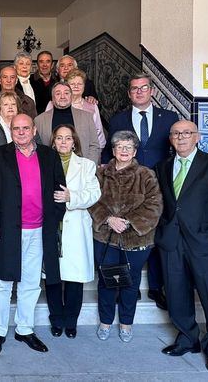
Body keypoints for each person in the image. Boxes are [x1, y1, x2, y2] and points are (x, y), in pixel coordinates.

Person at [155, 120, 208, 374]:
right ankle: (187, 339)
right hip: (172, 242)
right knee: (177, 295)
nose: (181, 138)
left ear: (197, 137)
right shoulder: (162, 166)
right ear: (170, 139)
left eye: (186, 133)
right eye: (176, 134)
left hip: (207, 244)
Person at [0, 114, 66, 356]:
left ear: (34, 130)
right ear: (10, 130)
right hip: (6, 231)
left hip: (39, 230)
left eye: (25, 128)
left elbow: (60, 190)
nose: (20, 132)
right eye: (16, 128)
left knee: (30, 283)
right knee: (3, 283)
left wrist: (54, 218)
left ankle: (25, 329)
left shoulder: (49, 155)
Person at [104, 73, 179, 311]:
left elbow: (174, 151)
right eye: (134, 88)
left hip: (160, 184)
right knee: (127, 235)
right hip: (126, 186)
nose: (139, 92)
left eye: (143, 88)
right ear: (129, 93)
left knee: (154, 235)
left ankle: (156, 287)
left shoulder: (169, 117)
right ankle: (129, 287)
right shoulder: (118, 120)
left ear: (152, 91)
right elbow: (110, 152)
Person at [88, 130, 163, 343]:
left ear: (135, 151)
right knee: (107, 281)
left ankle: (126, 324)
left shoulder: (146, 175)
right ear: (113, 150)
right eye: (120, 146)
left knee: (130, 283)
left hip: (137, 240)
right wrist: (108, 219)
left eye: (128, 147)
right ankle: (105, 321)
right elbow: (91, 200)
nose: (124, 151)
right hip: (106, 238)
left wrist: (128, 221)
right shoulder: (100, 174)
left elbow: (155, 205)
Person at [46, 125, 101, 339]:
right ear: (53, 142)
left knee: (74, 279)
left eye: (67, 138)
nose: (63, 142)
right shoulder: (45, 162)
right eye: (59, 138)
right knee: (52, 276)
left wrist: (72, 197)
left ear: (74, 142)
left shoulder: (86, 165)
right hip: (52, 226)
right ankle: (56, 319)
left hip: (76, 225)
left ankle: (71, 321)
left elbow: (94, 193)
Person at [34, 82, 100, 163]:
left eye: (66, 93)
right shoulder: (39, 120)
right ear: (52, 98)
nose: (62, 96)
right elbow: (36, 149)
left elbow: (94, 145)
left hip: (82, 170)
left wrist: (89, 167)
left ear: (71, 96)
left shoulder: (87, 117)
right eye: (58, 93)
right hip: (50, 170)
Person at [64, 70, 105, 149]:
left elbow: (98, 131)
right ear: (67, 86)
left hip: (87, 152)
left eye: (79, 84)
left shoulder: (92, 106)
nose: (76, 86)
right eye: (72, 84)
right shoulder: (59, 104)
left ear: (84, 86)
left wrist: (98, 152)